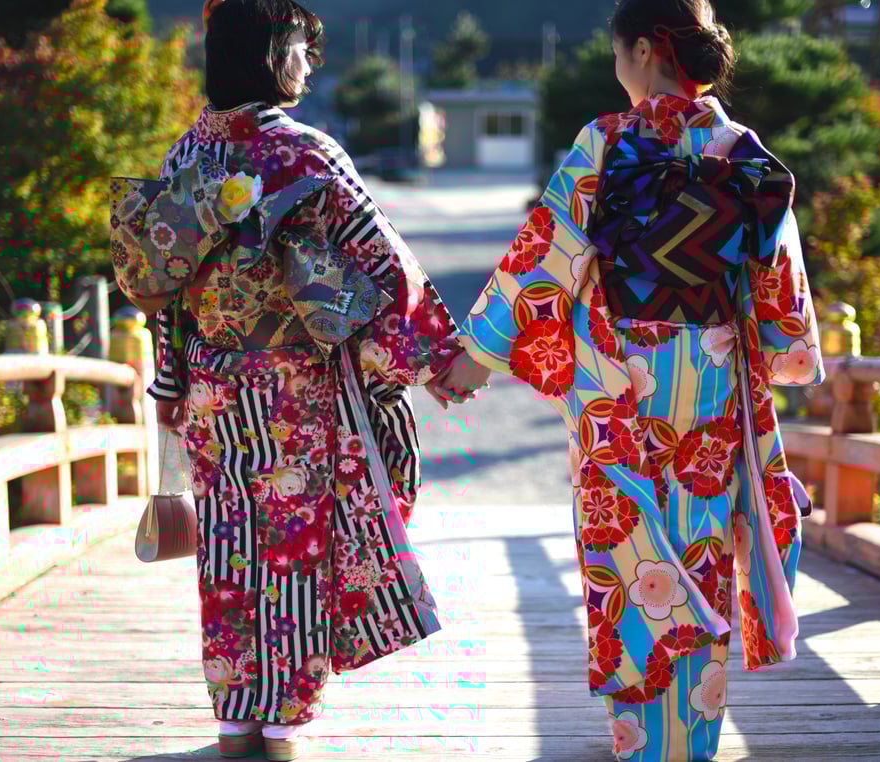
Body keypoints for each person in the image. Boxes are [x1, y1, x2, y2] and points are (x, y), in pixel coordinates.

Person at [439, 0, 825, 758]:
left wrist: (472, 358)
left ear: (646, 50)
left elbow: (543, 261)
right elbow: (780, 291)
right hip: (711, 376)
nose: (617, 65)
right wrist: (787, 355)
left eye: (619, 51)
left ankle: (640, 744)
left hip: (619, 383)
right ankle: (694, 742)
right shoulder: (745, 153)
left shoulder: (605, 143)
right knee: (702, 555)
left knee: (630, 560)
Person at [110, 0, 475, 758]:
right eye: (303, 49)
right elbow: (380, 263)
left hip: (214, 385)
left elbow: (167, 289)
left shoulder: (187, 156)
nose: (310, 64)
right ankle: (280, 726)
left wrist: (173, 385)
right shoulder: (308, 154)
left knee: (229, 547)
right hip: (293, 387)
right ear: (275, 53)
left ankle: (234, 716)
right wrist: (437, 360)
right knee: (294, 549)